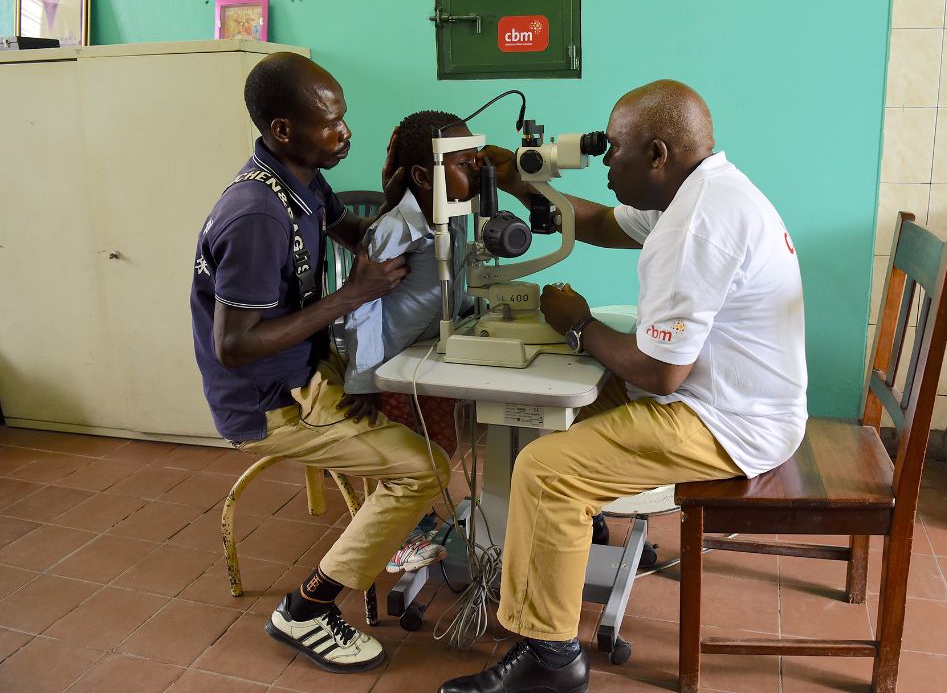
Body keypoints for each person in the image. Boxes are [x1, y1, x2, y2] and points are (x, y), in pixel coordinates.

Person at [438, 80, 808, 693]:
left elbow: (661, 372)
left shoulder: (697, 225)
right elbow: (606, 222)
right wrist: (528, 182)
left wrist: (578, 324)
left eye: (613, 151)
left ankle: (551, 658)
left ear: (658, 154)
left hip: (729, 421)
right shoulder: (700, 188)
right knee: (571, 410)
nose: (604, 161)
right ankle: (569, 538)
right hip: (732, 396)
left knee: (546, 469)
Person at [190, 52, 451, 674]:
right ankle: (307, 609)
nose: (345, 134)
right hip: (269, 398)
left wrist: (409, 228)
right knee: (426, 468)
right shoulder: (256, 213)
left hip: (306, 367)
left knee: (423, 403)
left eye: (345, 119)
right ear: (284, 129)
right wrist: (354, 294)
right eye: (331, 124)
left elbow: (346, 230)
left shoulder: (300, 177)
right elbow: (236, 344)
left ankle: (398, 530)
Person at [340, 108, 480, 572]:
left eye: (477, 161)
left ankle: (417, 518)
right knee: (413, 455)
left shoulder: (456, 214)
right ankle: (400, 535)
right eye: (465, 164)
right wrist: (363, 380)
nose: (476, 172)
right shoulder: (396, 228)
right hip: (392, 363)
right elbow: (362, 307)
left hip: (429, 352)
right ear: (424, 174)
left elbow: (453, 281)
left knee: (439, 444)